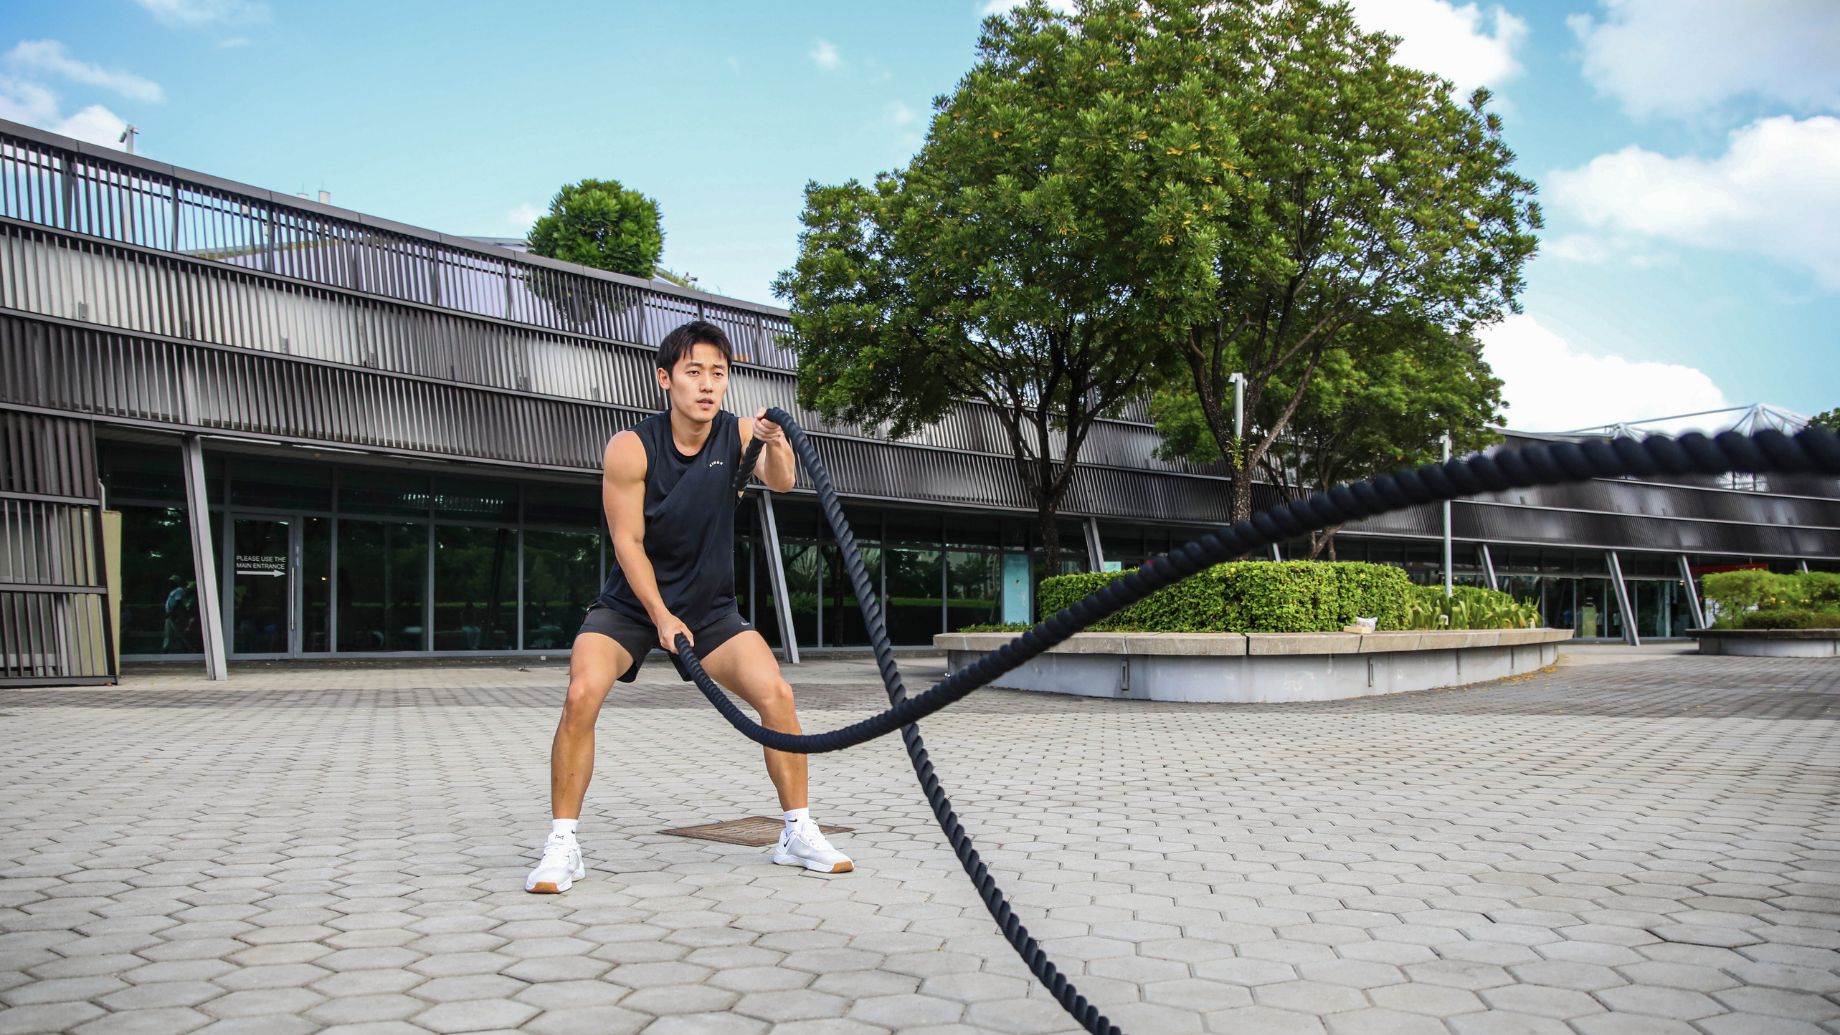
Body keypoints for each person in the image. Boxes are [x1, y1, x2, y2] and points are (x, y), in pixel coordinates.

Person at [526, 320, 853, 894]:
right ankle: (562, 844)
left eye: (718, 374)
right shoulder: (631, 447)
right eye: (694, 372)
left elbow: (779, 482)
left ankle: (797, 832)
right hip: (631, 605)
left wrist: (776, 445)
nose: (707, 385)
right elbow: (626, 542)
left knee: (776, 694)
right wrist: (659, 617)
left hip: (710, 608)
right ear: (665, 379)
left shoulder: (740, 431)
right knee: (581, 691)